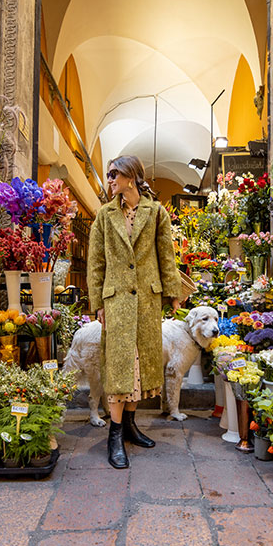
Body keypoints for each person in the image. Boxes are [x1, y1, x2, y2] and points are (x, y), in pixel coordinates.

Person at [87, 155, 182, 468]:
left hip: (146, 300)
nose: (110, 178)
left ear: (131, 176)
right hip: (116, 302)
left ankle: (130, 425)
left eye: (115, 173)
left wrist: (173, 295)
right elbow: (96, 262)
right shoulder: (104, 215)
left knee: (139, 365)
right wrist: (97, 303)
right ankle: (115, 435)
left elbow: (166, 256)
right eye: (109, 173)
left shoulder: (156, 213)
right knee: (117, 365)